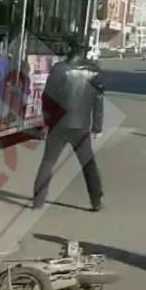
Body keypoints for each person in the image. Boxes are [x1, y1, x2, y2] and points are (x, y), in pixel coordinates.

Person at [32, 39, 105, 211]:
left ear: (69, 51)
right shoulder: (93, 71)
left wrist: (46, 122)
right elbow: (98, 101)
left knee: (48, 162)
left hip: (58, 124)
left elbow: (47, 99)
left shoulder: (59, 69)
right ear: (84, 52)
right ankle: (96, 201)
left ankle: (38, 201)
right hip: (81, 126)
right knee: (88, 164)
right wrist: (97, 127)